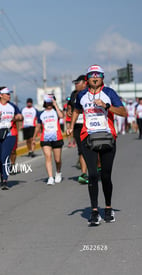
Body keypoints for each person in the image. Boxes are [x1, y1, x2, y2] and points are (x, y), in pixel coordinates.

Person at [67, 64, 127, 226]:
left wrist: (106, 106)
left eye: (98, 75)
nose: (95, 77)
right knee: (92, 175)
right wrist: (72, 125)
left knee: (106, 175)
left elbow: (123, 112)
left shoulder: (109, 93)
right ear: (88, 78)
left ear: (102, 78)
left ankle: (108, 208)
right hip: (88, 137)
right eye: (92, 75)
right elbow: (77, 110)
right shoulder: (82, 95)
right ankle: (94, 211)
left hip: (107, 137)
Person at [33, 94, 64, 185]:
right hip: (45, 138)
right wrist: (34, 138)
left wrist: (56, 105)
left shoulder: (56, 111)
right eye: (47, 102)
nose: (49, 104)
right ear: (45, 102)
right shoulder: (41, 113)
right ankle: (50, 177)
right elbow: (38, 126)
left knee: (57, 160)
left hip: (57, 137)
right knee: (48, 157)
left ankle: (58, 172)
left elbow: (61, 116)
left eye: (51, 102)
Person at [67, 75, 88, 184]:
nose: (75, 85)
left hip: (89, 125)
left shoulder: (91, 93)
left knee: (94, 148)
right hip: (77, 126)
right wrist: (69, 111)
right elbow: (69, 106)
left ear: (85, 82)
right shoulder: (74, 94)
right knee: (81, 150)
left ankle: (98, 169)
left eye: (77, 83)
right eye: (74, 83)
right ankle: (84, 174)